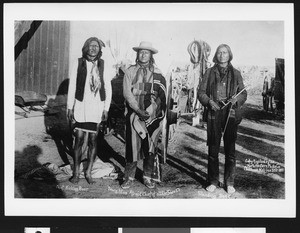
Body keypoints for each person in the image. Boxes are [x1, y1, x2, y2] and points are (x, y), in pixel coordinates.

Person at [197, 44, 247, 194]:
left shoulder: (236, 73)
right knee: (213, 148)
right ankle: (213, 180)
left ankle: (229, 182)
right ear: (216, 55)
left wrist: (235, 101)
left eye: (225, 52)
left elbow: (243, 94)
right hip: (214, 112)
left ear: (229, 55)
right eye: (219, 52)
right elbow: (201, 93)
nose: (222, 55)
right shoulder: (209, 72)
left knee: (230, 150)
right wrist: (209, 102)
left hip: (230, 113)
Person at [121, 41, 166, 189]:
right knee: (132, 147)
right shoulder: (130, 71)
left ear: (151, 55)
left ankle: (147, 177)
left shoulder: (158, 73)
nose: (143, 54)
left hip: (152, 116)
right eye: (141, 52)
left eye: (146, 52)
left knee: (150, 147)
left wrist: (152, 110)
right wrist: (137, 110)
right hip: (134, 115)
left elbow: (162, 95)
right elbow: (127, 93)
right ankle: (129, 177)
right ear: (137, 54)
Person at [67, 37, 112, 184]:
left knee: (93, 140)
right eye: (91, 46)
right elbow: (72, 85)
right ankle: (76, 172)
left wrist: (106, 108)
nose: (93, 49)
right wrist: (69, 106)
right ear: (86, 47)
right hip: (81, 106)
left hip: (97, 107)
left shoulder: (103, 64)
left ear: (100, 49)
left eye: (96, 46)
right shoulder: (79, 63)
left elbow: (108, 88)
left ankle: (88, 172)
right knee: (79, 140)